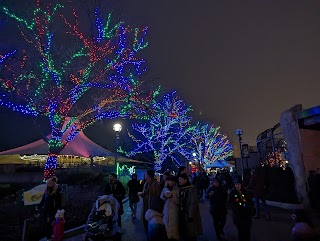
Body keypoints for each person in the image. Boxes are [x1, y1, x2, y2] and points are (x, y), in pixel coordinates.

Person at [37, 176, 62, 241]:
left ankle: (51, 237)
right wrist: (38, 208)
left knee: (51, 225)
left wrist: (58, 212)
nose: (47, 187)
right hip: (46, 211)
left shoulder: (56, 193)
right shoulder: (47, 191)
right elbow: (43, 200)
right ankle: (49, 237)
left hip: (53, 212)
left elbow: (59, 203)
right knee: (47, 225)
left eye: (48, 186)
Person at [179, 173, 202, 241]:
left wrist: (191, 215)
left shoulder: (191, 189)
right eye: (179, 179)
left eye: (180, 179)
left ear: (185, 180)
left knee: (191, 232)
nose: (179, 181)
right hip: (183, 213)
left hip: (189, 214)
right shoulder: (182, 188)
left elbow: (193, 202)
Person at [161, 175, 180, 241]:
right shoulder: (164, 189)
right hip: (166, 211)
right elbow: (161, 199)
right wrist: (164, 196)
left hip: (174, 211)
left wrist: (172, 197)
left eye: (172, 181)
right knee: (166, 227)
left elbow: (179, 201)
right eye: (169, 181)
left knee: (174, 228)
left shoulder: (177, 190)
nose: (170, 182)